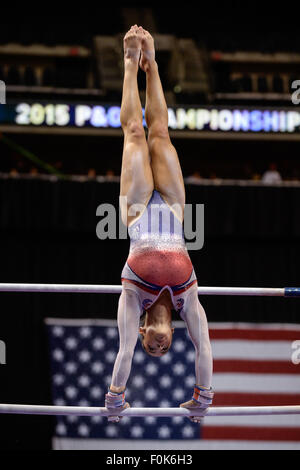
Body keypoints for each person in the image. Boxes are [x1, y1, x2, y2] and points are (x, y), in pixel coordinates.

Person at [105, 26, 213, 423]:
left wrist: (116, 397)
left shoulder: (133, 303)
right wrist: (202, 397)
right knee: (161, 133)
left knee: (135, 132)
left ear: (145, 332)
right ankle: (153, 65)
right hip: (173, 211)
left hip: (136, 215)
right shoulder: (188, 301)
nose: (158, 348)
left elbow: (123, 353)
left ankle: (131, 64)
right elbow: (204, 348)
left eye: (153, 348)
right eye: (163, 350)